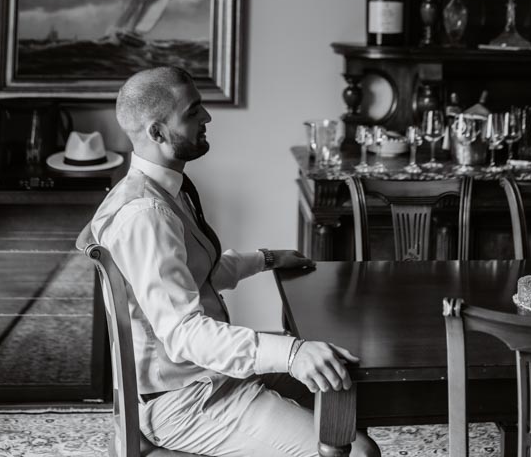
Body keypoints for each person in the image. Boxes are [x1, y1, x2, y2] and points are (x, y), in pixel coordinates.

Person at [77, 65, 379, 457]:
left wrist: (265, 259)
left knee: (347, 385)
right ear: (157, 132)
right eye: (192, 112)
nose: (206, 117)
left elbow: (194, 277)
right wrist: (292, 354)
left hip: (207, 377)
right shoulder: (146, 215)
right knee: (358, 451)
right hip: (185, 400)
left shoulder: (157, 189)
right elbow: (184, 332)